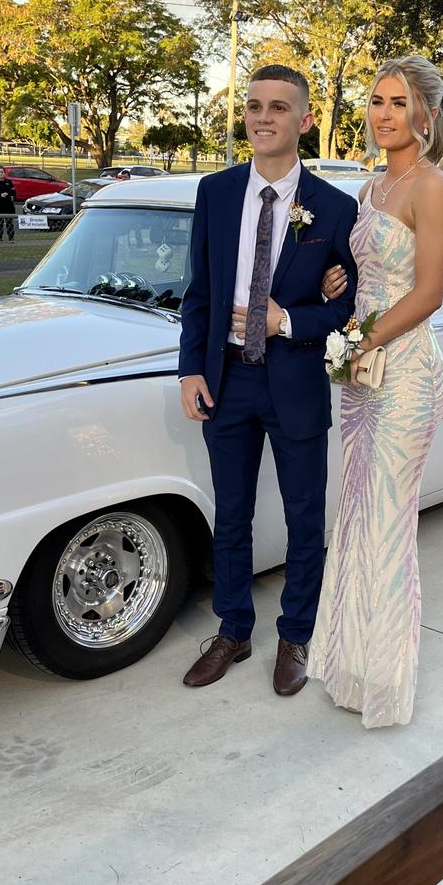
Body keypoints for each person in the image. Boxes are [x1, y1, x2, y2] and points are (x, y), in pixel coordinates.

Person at [179, 64, 359, 696]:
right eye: (254, 105)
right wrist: (191, 368)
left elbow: (345, 308)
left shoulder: (336, 209)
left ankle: (296, 635)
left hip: (294, 383)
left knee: (306, 517)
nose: (262, 117)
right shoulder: (216, 192)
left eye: (278, 107)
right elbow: (199, 290)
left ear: (305, 120)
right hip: (226, 381)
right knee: (230, 517)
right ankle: (232, 630)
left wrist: (289, 321)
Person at [308, 55, 443, 728]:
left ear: (424, 114)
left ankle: (385, 684)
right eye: (376, 101)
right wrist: (339, 289)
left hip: (403, 373)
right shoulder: (367, 190)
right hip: (359, 374)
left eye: (398, 103)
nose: (384, 114)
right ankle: (348, 665)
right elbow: (360, 273)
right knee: (357, 513)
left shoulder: (433, 189)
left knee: (389, 520)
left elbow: (427, 292)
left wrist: (362, 340)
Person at [0, 166, 17, 244]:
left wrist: (7, 193)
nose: (1, 174)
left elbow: (14, 193)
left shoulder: (9, 182)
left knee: (9, 222)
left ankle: (11, 238)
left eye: (2, 172)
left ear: (5, 173)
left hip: (8, 206)